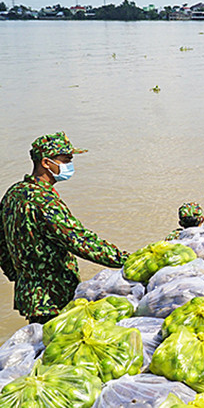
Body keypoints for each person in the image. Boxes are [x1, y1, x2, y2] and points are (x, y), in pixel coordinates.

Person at [0, 132, 128, 324]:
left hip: (30, 296)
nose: (70, 164)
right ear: (46, 162)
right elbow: (79, 241)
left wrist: (21, 278)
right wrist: (126, 260)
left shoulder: (14, 193)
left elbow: (2, 244)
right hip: (53, 298)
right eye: (66, 160)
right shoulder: (44, 201)